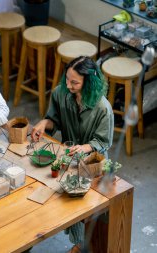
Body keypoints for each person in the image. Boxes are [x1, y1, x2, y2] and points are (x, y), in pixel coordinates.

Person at [31, 56, 114, 253]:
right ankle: (80, 244)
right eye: (67, 79)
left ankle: (89, 246)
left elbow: (103, 142)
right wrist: (44, 123)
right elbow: (54, 120)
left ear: (88, 82)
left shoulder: (103, 108)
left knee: (93, 210)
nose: (68, 85)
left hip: (94, 164)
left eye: (75, 82)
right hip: (70, 159)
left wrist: (85, 147)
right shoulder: (61, 93)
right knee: (71, 207)